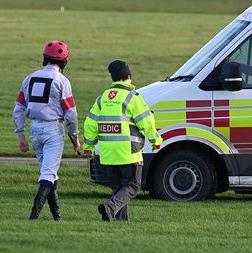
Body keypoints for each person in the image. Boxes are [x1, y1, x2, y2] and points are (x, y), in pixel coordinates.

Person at [82, 60, 161, 221]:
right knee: (133, 186)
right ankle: (109, 207)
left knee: (119, 189)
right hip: (128, 153)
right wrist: (155, 140)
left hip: (107, 154)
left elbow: (90, 123)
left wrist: (88, 147)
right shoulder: (132, 96)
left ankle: (119, 222)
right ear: (129, 77)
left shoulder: (103, 97)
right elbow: (146, 121)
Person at [13, 40, 79, 220]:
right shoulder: (62, 81)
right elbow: (71, 114)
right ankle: (33, 217)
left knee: (49, 174)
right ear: (64, 61)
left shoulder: (30, 78)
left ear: (45, 58)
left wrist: (21, 135)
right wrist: (75, 138)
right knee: (48, 174)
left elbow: (18, 107)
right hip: (52, 130)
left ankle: (57, 217)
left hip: (35, 130)